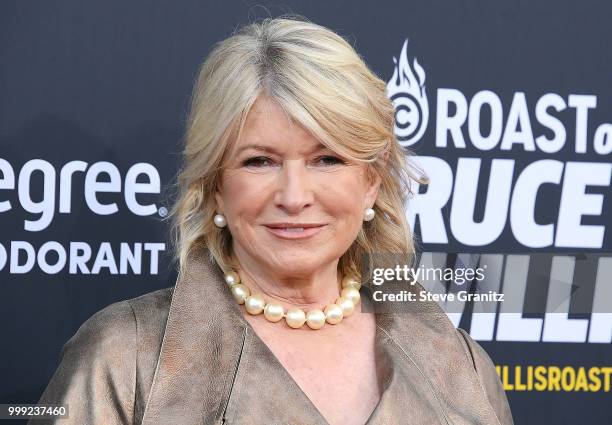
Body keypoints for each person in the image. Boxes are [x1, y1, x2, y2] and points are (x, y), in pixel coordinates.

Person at [33, 16, 514, 425]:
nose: (294, 196)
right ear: (216, 185)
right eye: (259, 161)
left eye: (327, 159)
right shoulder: (125, 356)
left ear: (371, 181)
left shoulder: (459, 363)